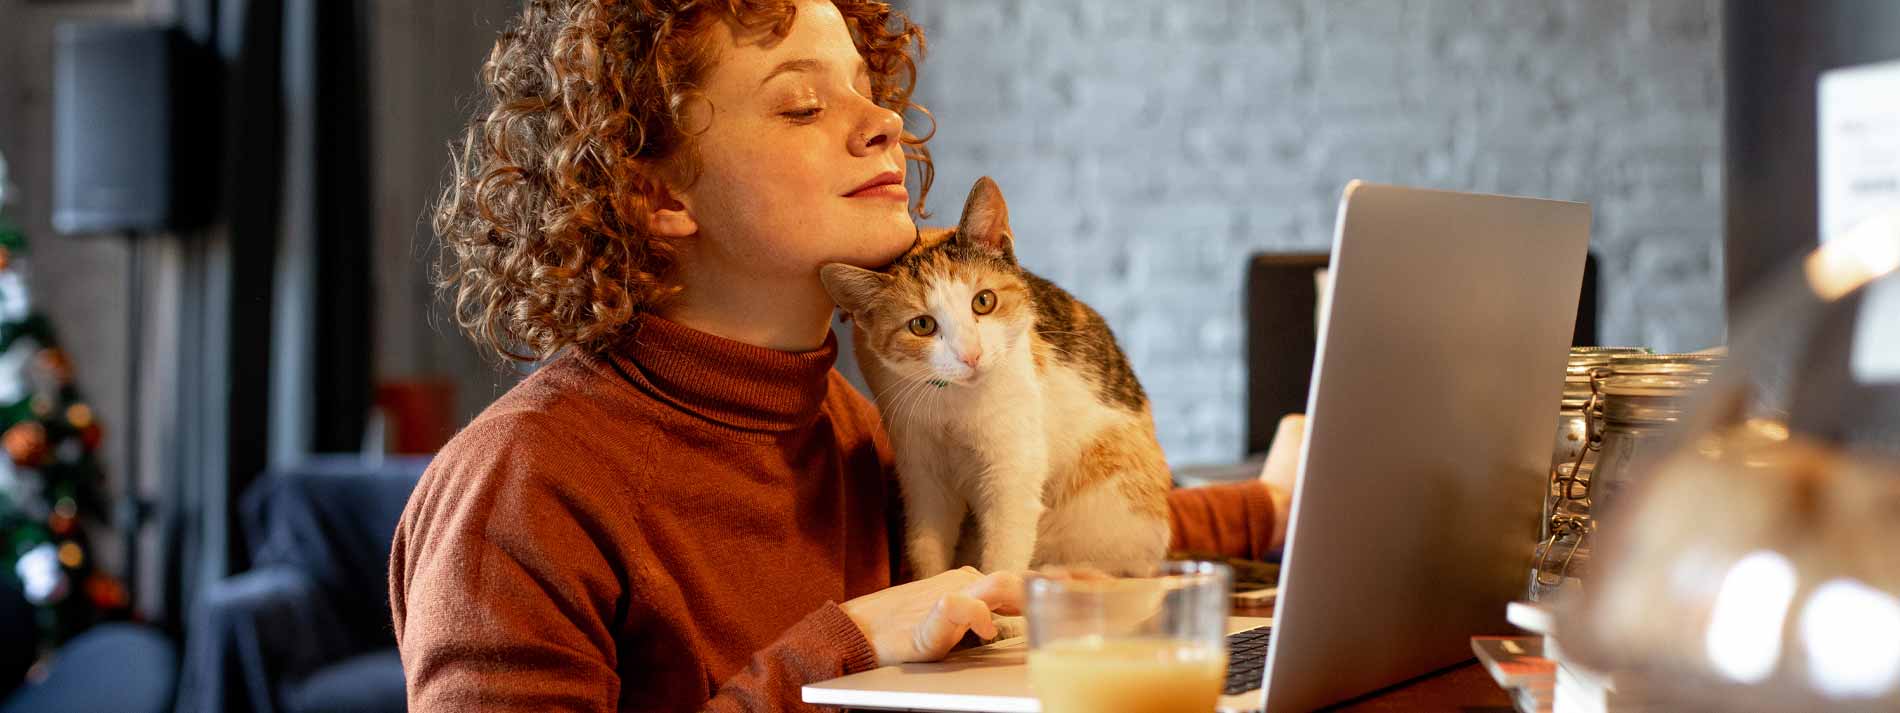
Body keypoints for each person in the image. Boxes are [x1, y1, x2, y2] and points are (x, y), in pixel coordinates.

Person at [389, 1, 1298, 710]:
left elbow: (1036, 514)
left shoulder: (844, 417)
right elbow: (869, 635)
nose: (885, 124)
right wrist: (846, 645)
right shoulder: (519, 491)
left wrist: (1275, 507)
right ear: (655, 194)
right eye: (802, 104)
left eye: (871, 87)